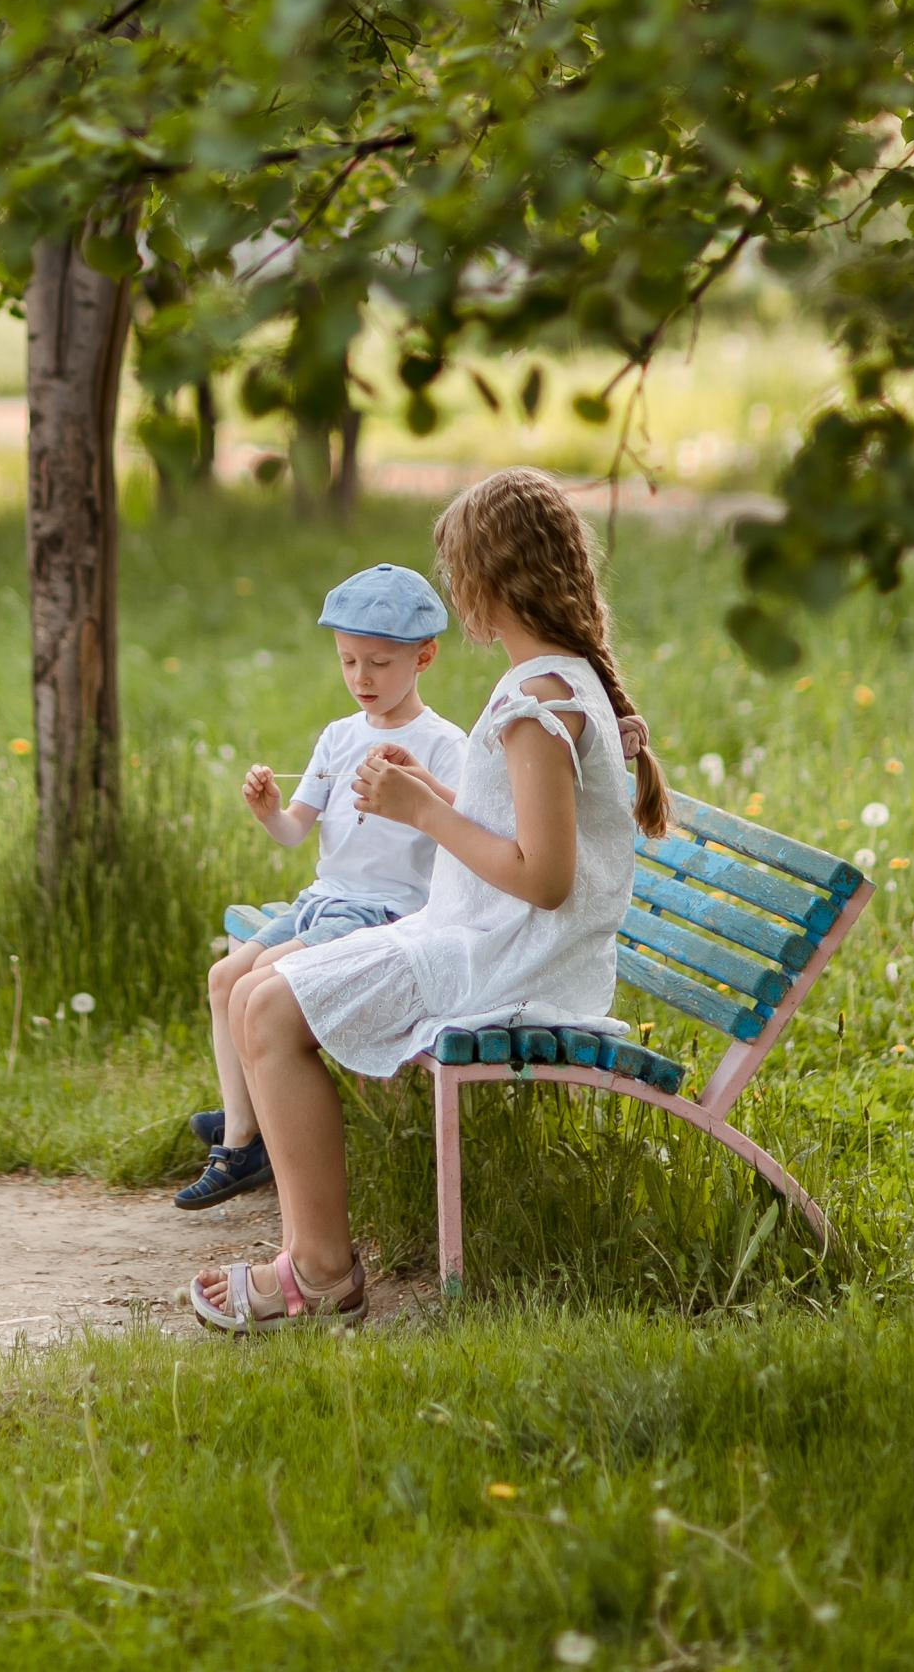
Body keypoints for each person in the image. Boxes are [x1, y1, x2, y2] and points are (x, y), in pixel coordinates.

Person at [189, 467, 669, 1329]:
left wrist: (423, 814)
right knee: (258, 995)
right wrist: (440, 798)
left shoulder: (537, 704)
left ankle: (322, 1270)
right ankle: (303, 1254)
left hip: (506, 962)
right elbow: (525, 837)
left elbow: (545, 879)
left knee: (266, 1012)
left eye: (458, 575)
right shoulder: (554, 681)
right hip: (484, 939)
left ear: (488, 583)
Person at [174, 563, 468, 1210]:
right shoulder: (338, 737)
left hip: (381, 916)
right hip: (320, 903)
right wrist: (269, 812)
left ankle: (243, 1143)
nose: (362, 678)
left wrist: (422, 793)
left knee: (257, 988)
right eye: (348, 661)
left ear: (425, 657)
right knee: (224, 979)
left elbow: (468, 833)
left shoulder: (444, 744)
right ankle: (242, 1124)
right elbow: (293, 832)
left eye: (380, 663)